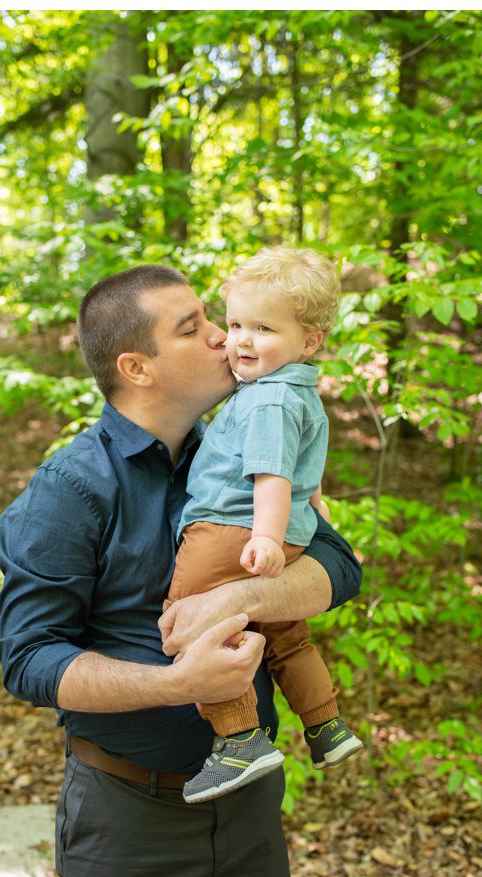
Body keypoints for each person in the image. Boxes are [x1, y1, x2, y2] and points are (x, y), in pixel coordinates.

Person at [0, 264, 362, 877]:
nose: (224, 337)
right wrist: (177, 682)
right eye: (195, 329)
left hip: (251, 810)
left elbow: (340, 566)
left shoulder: (235, 445)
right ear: (138, 368)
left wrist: (242, 595)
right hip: (128, 822)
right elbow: (29, 660)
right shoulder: (71, 490)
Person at [171, 247, 362, 804]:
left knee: (192, 623)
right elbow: (301, 462)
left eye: (263, 328)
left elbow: (272, 472)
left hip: (233, 528)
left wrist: (265, 536)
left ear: (310, 340)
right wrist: (313, 504)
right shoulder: (293, 390)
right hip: (279, 529)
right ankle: (325, 725)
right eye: (234, 324)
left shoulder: (266, 401)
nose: (242, 340)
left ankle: (239, 739)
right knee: (285, 632)